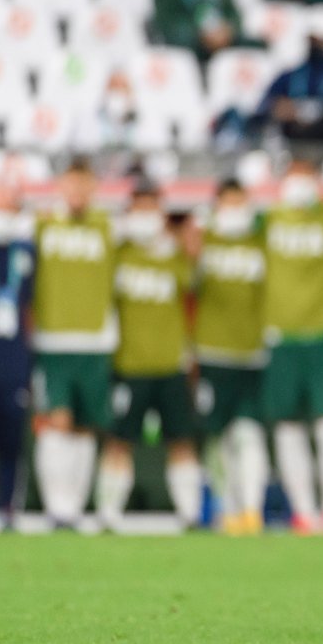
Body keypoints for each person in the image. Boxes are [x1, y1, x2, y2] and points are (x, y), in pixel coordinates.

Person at [95, 183, 201, 530]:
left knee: (181, 440)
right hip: (129, 365)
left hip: (171, 364)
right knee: (119, 441)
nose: (144, 216)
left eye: (150, 209)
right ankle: (109, 513)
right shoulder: (118, 254)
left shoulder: (175, 258)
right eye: (138, 209)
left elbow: (194, 288)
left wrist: (182, 241)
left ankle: (190, 513)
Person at [262, 159, 323, 534]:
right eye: (295, 174)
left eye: (306, 174)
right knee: (287, 426)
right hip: (280, 335)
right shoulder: (265, 220)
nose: (300, 182)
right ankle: (303, 511)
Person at [32, 159, 116, 530]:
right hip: (54, 339)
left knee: (86, 425)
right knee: (57, 421)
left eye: (85, 185)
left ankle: (75, 507)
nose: (78, 193)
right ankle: (56, 506)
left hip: (96, 340)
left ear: (95, 189)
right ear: (60, 187)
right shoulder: (42, 225)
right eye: (72, 185)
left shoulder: (108, 227)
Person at [193, 179, 270, 536]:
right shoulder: (203, 239)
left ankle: (252, 509)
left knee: (249, 434)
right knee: (217, 437)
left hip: (252, 352)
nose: (237, 208)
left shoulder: (261, 240)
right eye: (230, 201)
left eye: (242, 201)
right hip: (211, 351)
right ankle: (225, 508)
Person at [0, 179, 35, 530]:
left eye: (8, 206)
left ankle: (7, 507)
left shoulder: (27, 254)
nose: (2, 212)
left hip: (13, 364)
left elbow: (33, 308)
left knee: (10, 441)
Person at [254, 34, 323, 148]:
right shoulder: (289, 76)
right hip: (292, 145)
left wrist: (322, 114)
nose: (317, 41)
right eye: (314, 36)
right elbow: (264, 110)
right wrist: (277, 108)